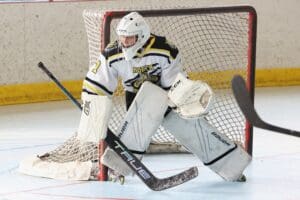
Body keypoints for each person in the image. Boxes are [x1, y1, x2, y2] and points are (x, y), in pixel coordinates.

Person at [78, 12, 251, 184]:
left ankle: (232, 166)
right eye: (122, 38)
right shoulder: (112, 54)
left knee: (194, 130)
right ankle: (118, 170)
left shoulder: (165, 49)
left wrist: (184, 101)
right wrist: (93, 109)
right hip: (137, 97)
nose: (124, 43)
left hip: (167, 96)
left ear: (142, 35)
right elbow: (96, 84)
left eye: (129, 38)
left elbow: (174, 84)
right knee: (135, 133)